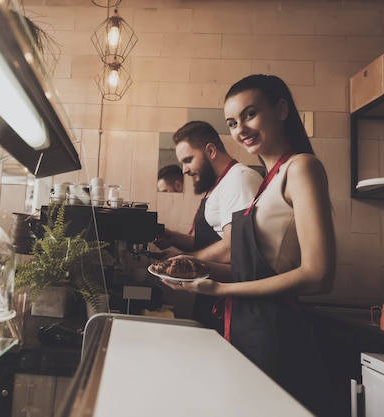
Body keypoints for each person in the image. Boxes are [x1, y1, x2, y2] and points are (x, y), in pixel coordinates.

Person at [161, 75, 337, 416]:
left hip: (275, 333)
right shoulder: (264, 183)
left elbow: (319, 275)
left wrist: (221, 288)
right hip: (244, 326)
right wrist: (190, 273)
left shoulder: (301, 168)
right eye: (232, 122)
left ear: (281, 109)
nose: (241, 128)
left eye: (250, 114)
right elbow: (254, 267)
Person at [154, 121, 262, 330]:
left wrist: (182, 264)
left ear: (211, 150)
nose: (184, 170)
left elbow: (234, 248)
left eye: (188, 160)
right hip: (210, 295)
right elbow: (211, 241)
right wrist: (175, 238)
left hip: (232, 304)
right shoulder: (219, 184)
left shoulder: (238, 180)